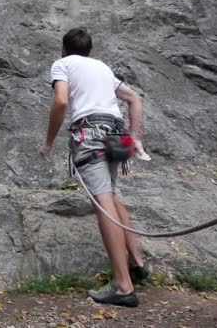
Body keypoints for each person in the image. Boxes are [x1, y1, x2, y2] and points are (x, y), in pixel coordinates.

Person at [39, 27, 150, 307]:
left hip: (91, 134)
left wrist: (49, 142)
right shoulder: (102, 68)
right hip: (117, 133)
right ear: (89, 50)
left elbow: (62, 100)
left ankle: (123, 287)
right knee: (111, 196)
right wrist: (135, 139)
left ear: (64, 49)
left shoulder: (62, 64)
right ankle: (136, 260)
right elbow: (134, 98)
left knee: (103, 201)